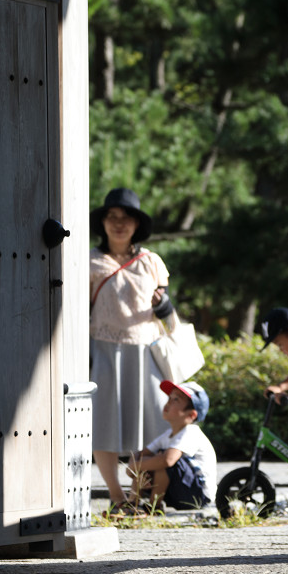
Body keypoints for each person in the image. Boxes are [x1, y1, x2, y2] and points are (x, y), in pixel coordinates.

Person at [89, 187, 171, 510]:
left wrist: (164, 305)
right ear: (103, 222)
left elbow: (166, 308)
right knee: (103, 424)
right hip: (102, 349)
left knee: (152, 423)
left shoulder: (151, 261)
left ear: (137, 224)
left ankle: (143, 495)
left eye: (126, 218)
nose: (119, 223)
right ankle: (116, 497)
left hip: (145, 350)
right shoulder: (88, 260)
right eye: (112, 216)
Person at [125, 380, 217, 512]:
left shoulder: (191, 432)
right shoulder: (168, 434)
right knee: (147, 461)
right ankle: (132, 503)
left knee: (164, 460)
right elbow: (140, 455)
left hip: (198, 495)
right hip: (179, 491)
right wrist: (135, 466)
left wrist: (135, 467)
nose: (168, 403)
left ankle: (153, 507)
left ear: (191, 415)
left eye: (176, 400)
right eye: (169, 398)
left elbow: (167, 461)